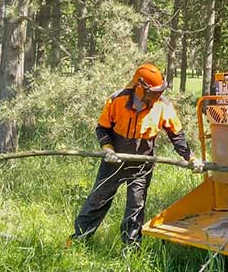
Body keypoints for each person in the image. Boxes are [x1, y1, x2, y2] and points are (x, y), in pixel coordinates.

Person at [72, 63, 204, 245]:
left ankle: (131, 248)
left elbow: (177, 135)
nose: (158, 96)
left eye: (160, 91)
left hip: (142, 164)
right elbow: (102, 128)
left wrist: (190, 157)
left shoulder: (163, 106)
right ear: (139, 87)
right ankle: (79, 239)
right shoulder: (117, 100)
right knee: (98, 200)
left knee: (135, 207)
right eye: (154, 92)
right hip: (114, 161)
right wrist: (107, 148)